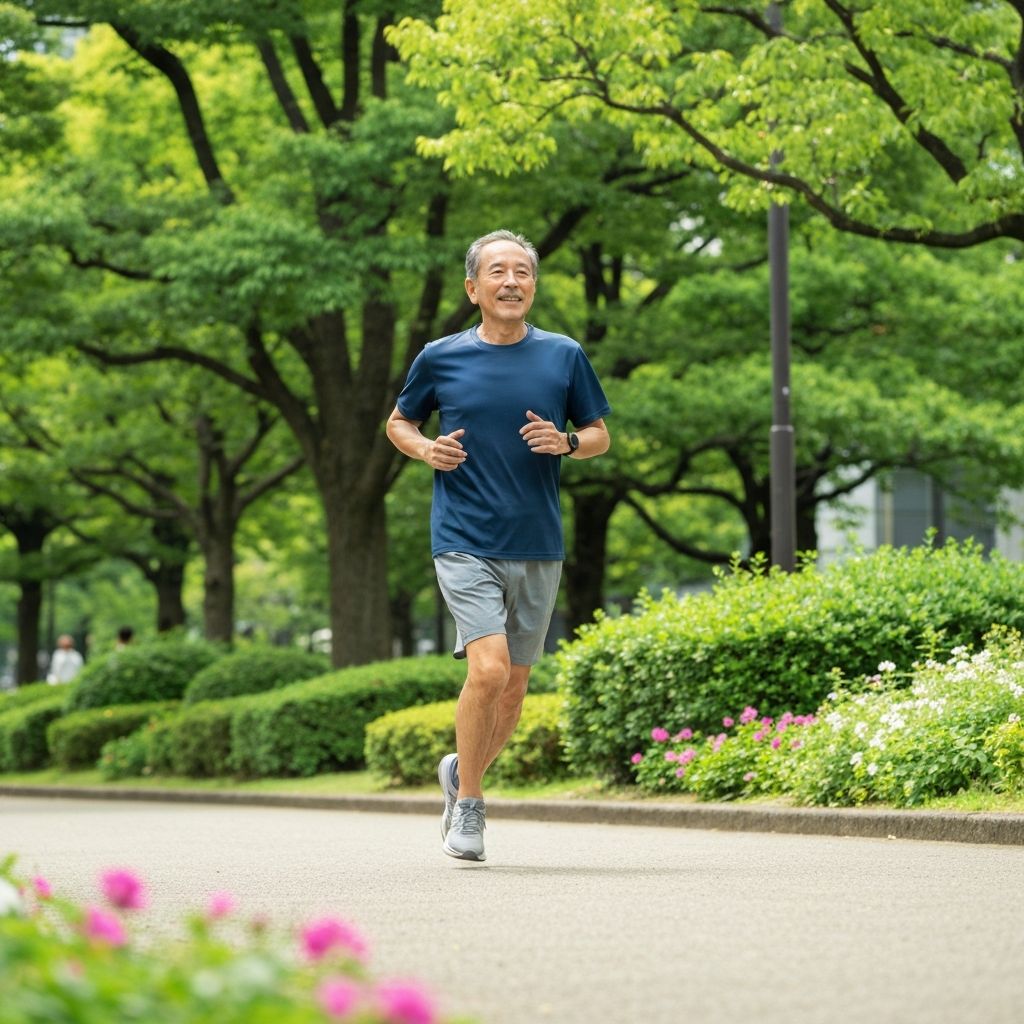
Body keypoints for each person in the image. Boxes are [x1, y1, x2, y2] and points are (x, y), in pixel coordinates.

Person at [385, 229, 612, 862]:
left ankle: (461, 769)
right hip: (463, 538)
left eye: (522, 272)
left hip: (537, 541)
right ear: (473, 288)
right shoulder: (441, 357)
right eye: (497, 272)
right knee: (486, 670)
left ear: (533, 286)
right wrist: (426, 448)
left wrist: (567, 442)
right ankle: (472, 807)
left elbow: (598, 435)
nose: (511, 282)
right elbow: (399, 420)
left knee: (513, 688)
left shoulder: (563, 356)